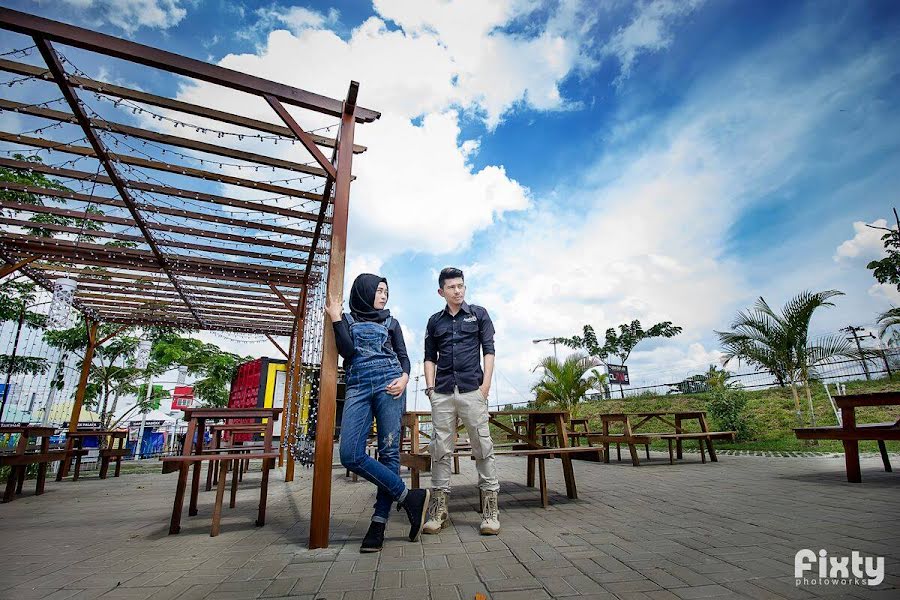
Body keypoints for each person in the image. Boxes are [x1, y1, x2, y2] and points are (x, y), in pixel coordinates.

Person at [327, 273, 430, 552]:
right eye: (379, 290)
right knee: (350, 454)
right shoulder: (347, 320)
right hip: (358, 386)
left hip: (391, 385)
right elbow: (347, 352)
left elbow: (404, 357)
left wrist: (406, 378)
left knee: (389, 454)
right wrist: (336, 318)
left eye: (386, 291)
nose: (384, 296)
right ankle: (409, 496)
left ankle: (378, 523)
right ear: (365, 291)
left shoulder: (391, 322)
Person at [422, 267, 500, 535]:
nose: (457, 291)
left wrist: (485, 386)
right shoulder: (435, 321)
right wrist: (431, 389)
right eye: (452, 287)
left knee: (482, 446)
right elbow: (429, 356)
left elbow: (489, 351)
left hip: (472, 390)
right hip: (442, 392)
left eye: (461, 286)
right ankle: (438, 510)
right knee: (440, 449)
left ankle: (490, 511)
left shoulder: (478, 315)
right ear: (441, 291)